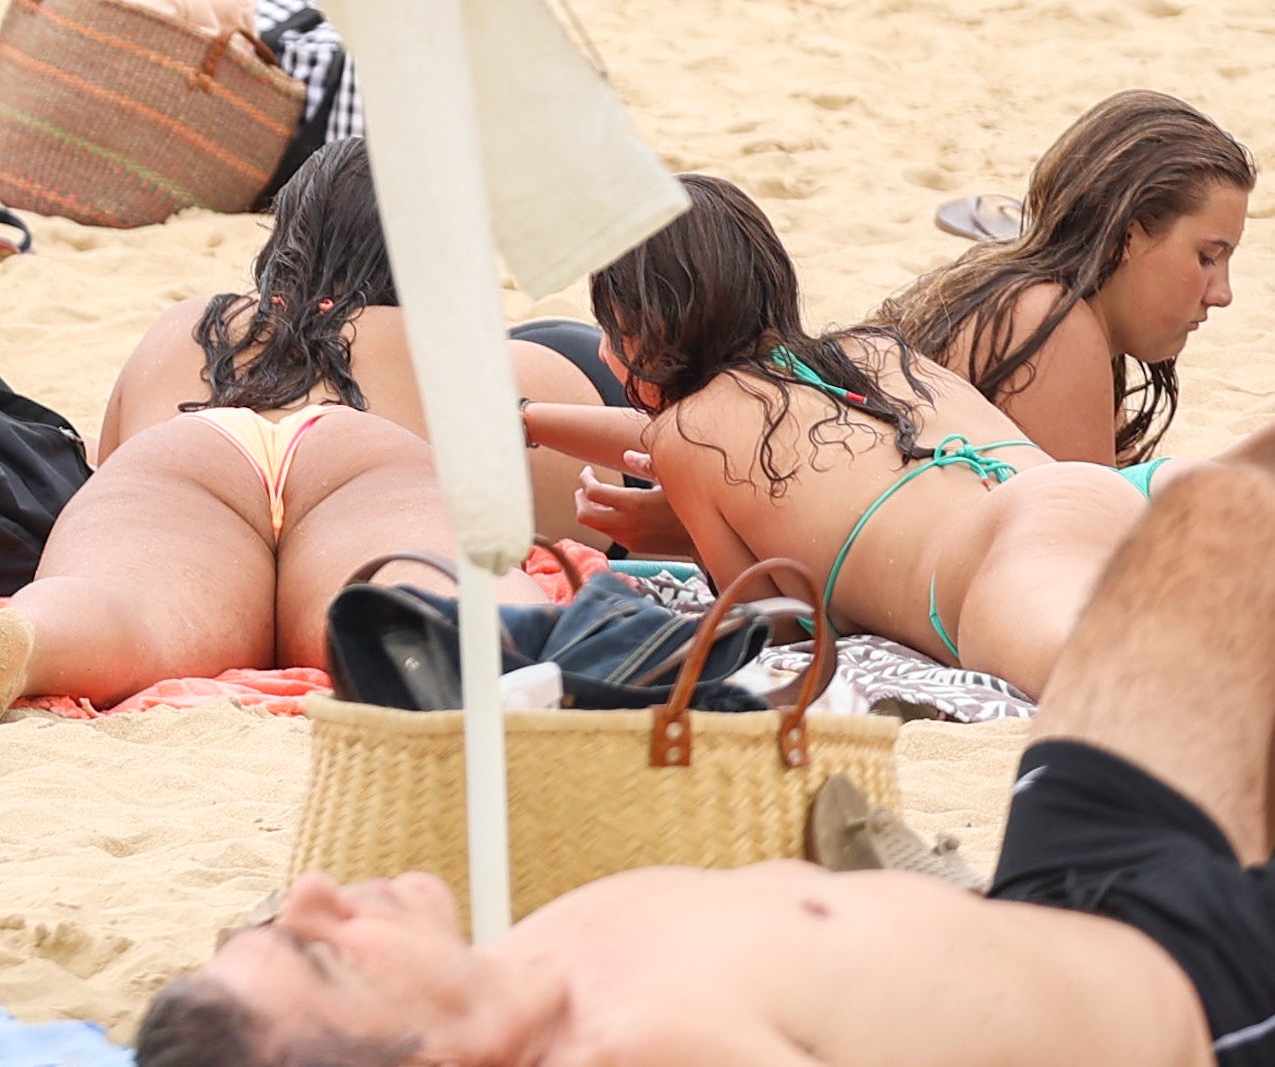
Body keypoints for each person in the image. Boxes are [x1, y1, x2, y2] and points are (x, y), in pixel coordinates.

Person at [135, 404, 1275, 1067]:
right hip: (1203, 997)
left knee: (1220, 512)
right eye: (324, 953)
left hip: (1061, 894)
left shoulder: (526, 963)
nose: (327, 890)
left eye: (284, 917)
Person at [0, 144, 593, 711]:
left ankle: (38, 634)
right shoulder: (450, 346)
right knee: (431, 593)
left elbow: (110, 468)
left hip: (193, 448)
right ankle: (471, 644)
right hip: (360, 459)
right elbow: (576, 508)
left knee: (125, 604)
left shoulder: (182, 328)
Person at [535, 172, 1149, 692]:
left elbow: (771, 620)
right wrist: (530, 421)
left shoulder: (686, 436)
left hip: (992, 565)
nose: (603, 352)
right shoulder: (872, 351)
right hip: (1101, 495)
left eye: (610, 332)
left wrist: (681, 533)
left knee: (1117, 692)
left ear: (643, 330)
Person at [877, 92, 1249, 470]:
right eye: (1206, 258)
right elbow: (1104, 524)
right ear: (1127, 237)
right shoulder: (1048, 325)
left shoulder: (1055, 312)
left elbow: (1128, 496)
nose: (1223, 294)